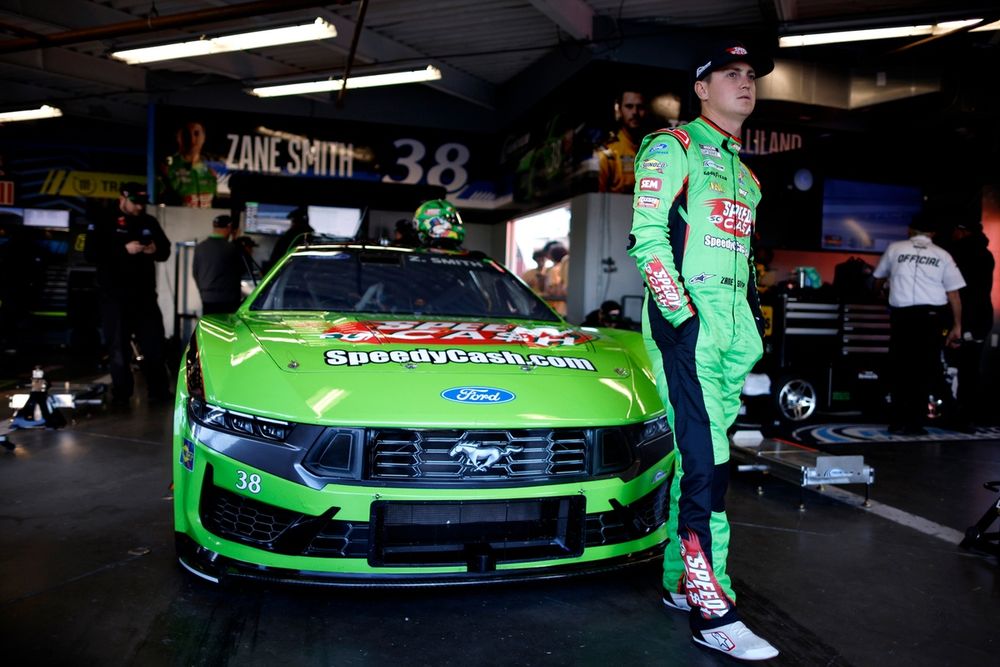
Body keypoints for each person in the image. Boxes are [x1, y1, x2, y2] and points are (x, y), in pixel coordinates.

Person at [627, 41, 778, 660]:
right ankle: (713, 609)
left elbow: (743, 264)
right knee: (708, 469)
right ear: (701, 87)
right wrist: (679, 315)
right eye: (731, 75)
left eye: (751, 76)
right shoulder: (673, 148)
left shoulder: (747, 174)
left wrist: (752, 326)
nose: (745, 84)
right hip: (686, 326)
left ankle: (676, 584)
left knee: (702, 462)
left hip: (731, 336)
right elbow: (647, 236)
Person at [873, 213, 965, 435]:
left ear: (910, 230)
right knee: (927, 369)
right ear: (932, 234)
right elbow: (954, 295)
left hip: (902, 317)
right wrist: (957, 326)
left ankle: (897, 421)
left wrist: (881, 295)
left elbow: (878, 280)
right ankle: (916, 423)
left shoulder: (895, 249)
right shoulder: (942, 255)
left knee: (899, 368)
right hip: (930, 318)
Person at [84, 182, 171, 406]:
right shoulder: (103, 219)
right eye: (135, 203)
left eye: (142, 203)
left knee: (155, 345)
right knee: (118, 348)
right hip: (114, 297)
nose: (139, 207)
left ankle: (159, 391)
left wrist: (155, 249)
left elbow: (165, 249)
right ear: (122, 198)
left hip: (144, 297)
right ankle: (122, 394)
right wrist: (123, 250)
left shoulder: (148, 221)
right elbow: (90, 253)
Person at [945, 220, 993, 425]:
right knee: (971, 367)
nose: (953, 233)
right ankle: (968, 414)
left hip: (963, 317)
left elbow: (957, 292)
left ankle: (954, 412)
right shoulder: (987, 254)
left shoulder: (956, 255)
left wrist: (957, 323)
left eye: (956, 229)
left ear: (963, 232)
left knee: (951, 365)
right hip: (982, 318)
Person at [596, 89, 649, 193]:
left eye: (640, 107)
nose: (635, 112)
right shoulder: (608, 153)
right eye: (629, 106)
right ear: (619, 109)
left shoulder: (654, 150)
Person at [193, 214, 244, 315]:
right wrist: (236, 240)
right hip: (227, 300)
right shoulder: (231, 248)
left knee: (210, 327)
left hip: (207, 298)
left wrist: (203, 292)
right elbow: (242, 269)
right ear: (229, 228)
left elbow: (195, 273)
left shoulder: (200, 247)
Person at [160, 120, 218, 208]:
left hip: (205, 220)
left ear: (203, 138)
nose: (192, 139)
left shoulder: (210, 171)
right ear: (179, 137)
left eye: (196, 133)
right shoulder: (169, 167)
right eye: (186, 134)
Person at [266, 207, 312, 271]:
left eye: (293, 221)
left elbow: (276, 257)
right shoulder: (308, 234)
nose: (292, 223)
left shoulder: (291, 236)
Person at [541, 240, 569, 315]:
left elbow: (553, 289)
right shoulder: (562, 265)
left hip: (556, 307)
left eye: (549, 253)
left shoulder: (553, 270)